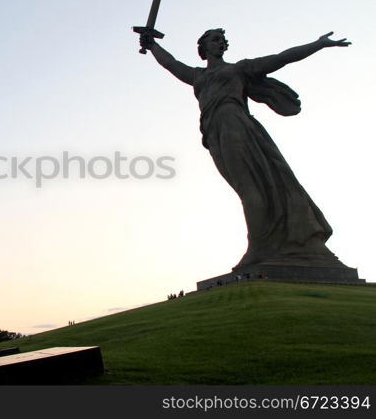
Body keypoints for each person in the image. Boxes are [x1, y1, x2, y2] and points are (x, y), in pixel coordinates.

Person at [139, 29, 350, 268]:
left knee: (249, 186)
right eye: (214, 39)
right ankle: (264, 244)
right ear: (203, 48)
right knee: (244, 187)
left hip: (234, 122)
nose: (220, 43)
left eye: (222, 40)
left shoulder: (238, 69)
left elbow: (282, 57)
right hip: (213, 131)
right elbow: (171, 64)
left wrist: (318, 44)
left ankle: (258, 247)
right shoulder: (197, 76)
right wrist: (152, 45)